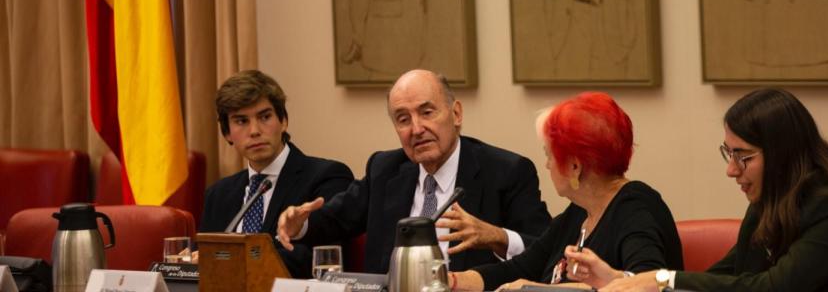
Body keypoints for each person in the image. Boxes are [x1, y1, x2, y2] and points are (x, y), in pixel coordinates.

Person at [585, 88, 828, 292]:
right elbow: (727, 276)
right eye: (728, 154)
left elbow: (773, 287)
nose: (731, 170)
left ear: (782, 154)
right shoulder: (768, 203)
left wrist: (663, 279)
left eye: (744, 157)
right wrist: (625, 281)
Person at [277, 69, 551, 273]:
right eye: (403, 119)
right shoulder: (385, 169)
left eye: (427, 112)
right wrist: (300, 224)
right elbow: (337, 219)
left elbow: (546, 249)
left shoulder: (506, 172)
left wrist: (497, 237)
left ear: (456, 114)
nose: (416, 129)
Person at [450, 92, 682, 291]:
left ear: (574, 167)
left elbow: (646, 283)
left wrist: (536, 289)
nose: (547, 165)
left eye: (549, 155)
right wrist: (450, 282)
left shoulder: (637, 211)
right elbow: (518, 269)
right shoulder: (579, 212)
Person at [199, 70, 355, 278]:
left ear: (283, 121)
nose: (254, 130)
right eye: (241, 121)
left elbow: (318, 259)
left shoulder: (328, 177)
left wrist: (230, 260)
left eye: (264, 117)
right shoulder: (218, 195)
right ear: (227, 133)